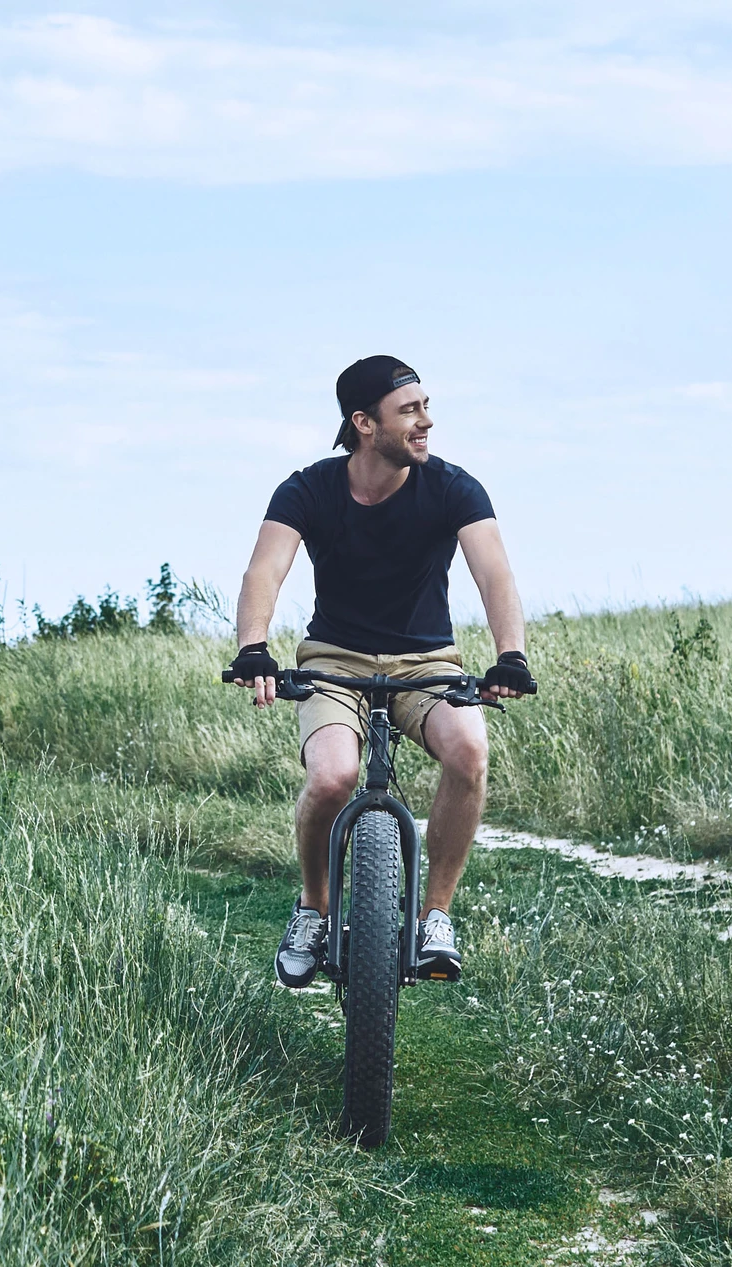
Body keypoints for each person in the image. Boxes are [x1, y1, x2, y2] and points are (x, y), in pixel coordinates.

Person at [225, 355, 535, 988]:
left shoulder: (453, 487)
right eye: (411, 411)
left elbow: (494, 572)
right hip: (333, 662)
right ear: (364, 423)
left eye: (426, 406)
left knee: (470, 750)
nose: (426, 422)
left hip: (429, 664)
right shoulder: (308, 489)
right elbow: (265, 570)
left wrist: (511, 654)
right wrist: (254, 647)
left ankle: (436, 918)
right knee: (334, 777)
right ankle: (313, 910)